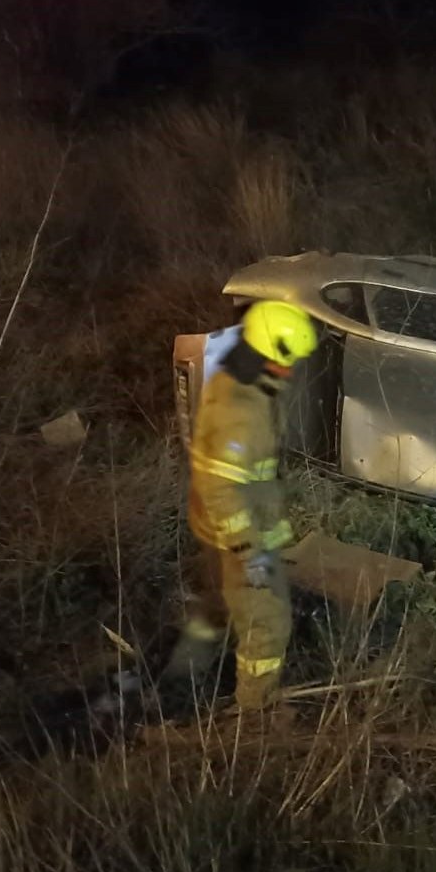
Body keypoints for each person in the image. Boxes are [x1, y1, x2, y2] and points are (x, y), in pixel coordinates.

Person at [162, 300, 317, 711]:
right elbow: (221, 488)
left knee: (216, 606)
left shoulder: (245, 380)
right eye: (289, 359)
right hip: (238, 535)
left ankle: (183, 675)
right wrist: (249, 551)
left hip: (225, 529)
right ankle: (252, 714)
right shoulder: (238, 409)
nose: (293, 369)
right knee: (267, 625)